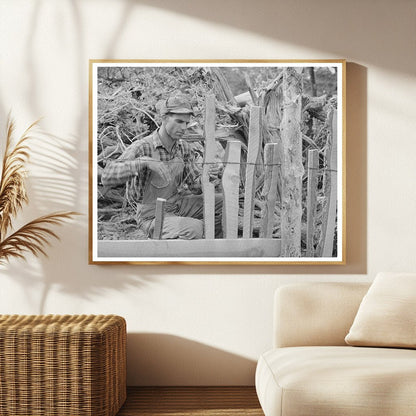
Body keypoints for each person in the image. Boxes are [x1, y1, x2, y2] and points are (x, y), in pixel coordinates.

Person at [101, 92, 222, 239]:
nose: (184, 127)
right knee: (194, 228)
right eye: (179, 121)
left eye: (186, 123)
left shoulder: (183, 148)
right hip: (151, 216)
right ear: (164, 118)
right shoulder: (143, 147)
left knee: (222, 203)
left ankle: (208, 250)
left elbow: (194, 188)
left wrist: (207, 176)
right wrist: (143, 162)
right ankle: (177, 246)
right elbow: (107, 177)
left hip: (177, 206)